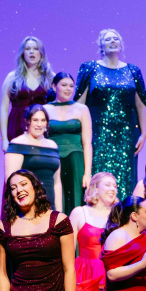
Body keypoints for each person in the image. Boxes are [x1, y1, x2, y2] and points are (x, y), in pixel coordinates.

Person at [75, 29, 146, 199]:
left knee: (124, 179)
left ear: (121, 44)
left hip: (126, 135)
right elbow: (79, 104)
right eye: (108, 39)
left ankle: (123, 219)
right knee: (99, 177)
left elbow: (141, 104)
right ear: (100, 45)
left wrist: (144, 133)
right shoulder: (90, 68)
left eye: (116, 38)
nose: (112, 41)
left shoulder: (133, 71)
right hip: (97, 135)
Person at [44, 72, 93, 214]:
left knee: (76, 198)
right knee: (54, 197)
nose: (68, 89)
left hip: (76, 161)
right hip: (53, 160)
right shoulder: (45, 109)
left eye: (71, 86)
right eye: (64, 85)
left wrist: (87, 173)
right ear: (54, 87)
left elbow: (87, 143)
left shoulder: (82, 109)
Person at [5, 105, 62, 211]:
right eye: (35, 120)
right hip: (27, 207)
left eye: (43, 120)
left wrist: (59, 213)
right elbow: (11, 182)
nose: (39, 124)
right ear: (28, 122)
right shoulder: (18, 144)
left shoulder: (53, 146)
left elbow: (57, 183)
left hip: (49, 206)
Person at [0, 36, 54, 148]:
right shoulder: (12, 77)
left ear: (41, 53)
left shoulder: (50, 78)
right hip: (16, 128)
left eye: (35, 48)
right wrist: (4, 139)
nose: (31, 52)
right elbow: (4, 109)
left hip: (42, 131)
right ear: (22, 53)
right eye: (28, 49)